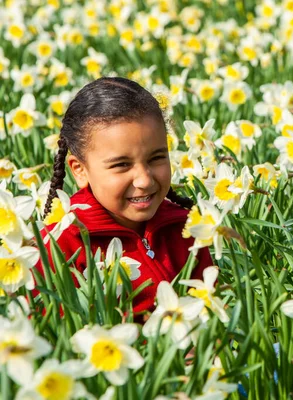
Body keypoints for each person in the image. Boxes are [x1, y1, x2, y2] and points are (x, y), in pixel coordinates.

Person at [39, 77, 212, 315]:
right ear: (79, 170)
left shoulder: (186, 227)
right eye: (121, 164)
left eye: (157, 158)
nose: (144, 180)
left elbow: (208, 316)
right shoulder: (63, 244)